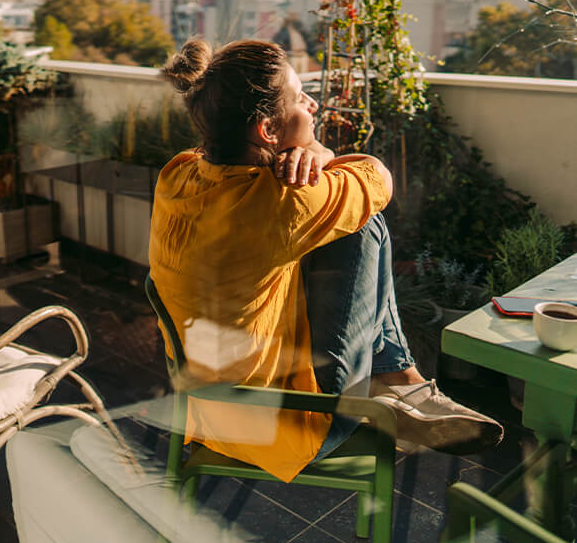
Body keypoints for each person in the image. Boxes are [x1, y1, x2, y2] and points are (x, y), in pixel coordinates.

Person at [149, 38, 502, 483]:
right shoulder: (283, 203)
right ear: (267, 131)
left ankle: (399, 384)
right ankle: (397, 383)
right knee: (363, 225)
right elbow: (378, 179)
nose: (312, 104)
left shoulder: (177, 174)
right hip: (285, 425)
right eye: (300, 98)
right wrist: (320, 155)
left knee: (333, 228)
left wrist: (313, 153)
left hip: (205, 412)